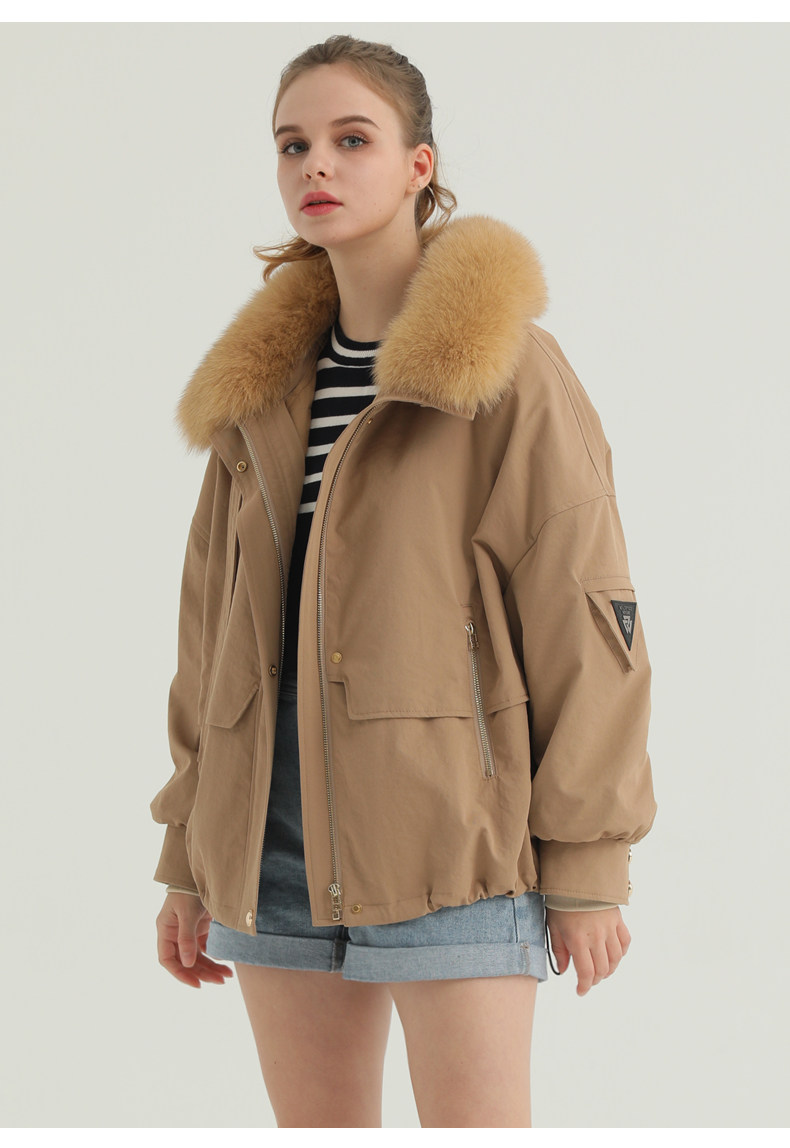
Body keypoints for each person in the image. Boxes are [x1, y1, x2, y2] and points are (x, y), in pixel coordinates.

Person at [150, 34, 657, 1129]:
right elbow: (210, 635)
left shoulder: (505, 369)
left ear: (419, 165)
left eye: (351, 139)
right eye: (293, 144)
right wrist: (191, 852)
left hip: (452, 842)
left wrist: (588, 860)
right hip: (271, 843)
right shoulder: (259, 393)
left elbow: (586, 617)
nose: (315, 166)